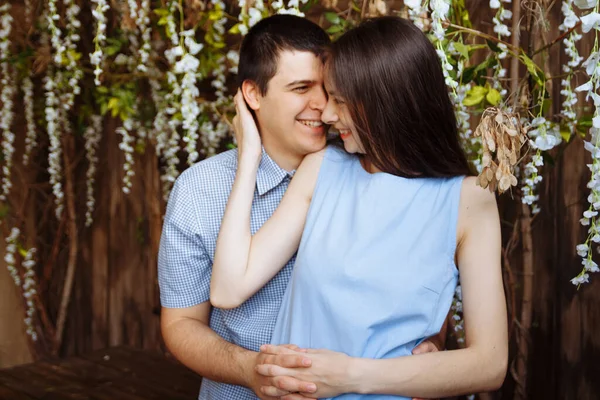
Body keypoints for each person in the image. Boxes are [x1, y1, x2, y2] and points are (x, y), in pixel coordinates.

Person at [210, 16, 508, 400]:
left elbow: (490, 363)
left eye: (340, 101)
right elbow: (228, 289)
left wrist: (350, 376)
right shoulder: (322, 170)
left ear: (386, 103)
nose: (328, 116)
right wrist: (249, 154)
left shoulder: (469, 201)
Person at [158, 14, 440, 400]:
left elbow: (420, 279)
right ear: (253, 95)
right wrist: (250, 369)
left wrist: (432, 342)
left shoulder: (368, 165)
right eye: (301, 87)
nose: (322, 106)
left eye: (327, 88)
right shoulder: (199, 191)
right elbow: (181, 323)